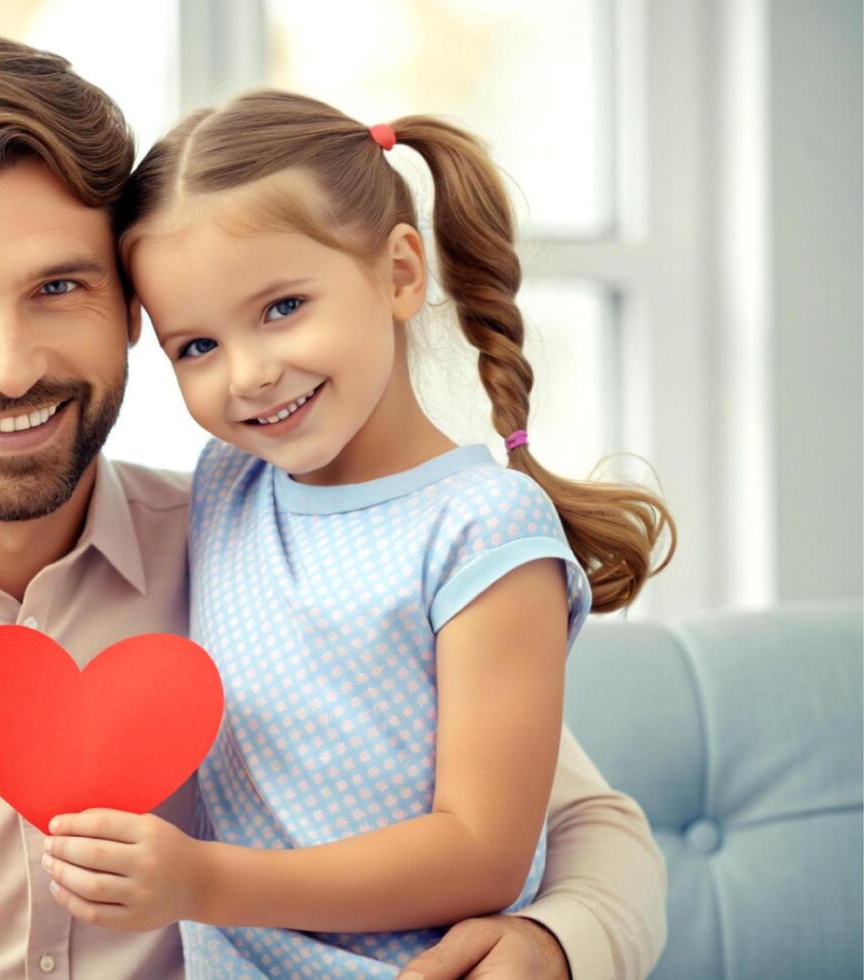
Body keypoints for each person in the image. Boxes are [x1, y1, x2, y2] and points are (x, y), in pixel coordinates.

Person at [0, 32, 668, 979]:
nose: (10, 364)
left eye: (58, 288)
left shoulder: (257, 530)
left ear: (128, 306)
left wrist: (551, 942)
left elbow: (581, 825)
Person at [39, 91, 676, 978]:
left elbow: (482, 852)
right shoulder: (228, 485)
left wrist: (201, 882)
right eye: (195, 347)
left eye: (282, 307)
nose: (250, 374)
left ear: (399, 273)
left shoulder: (483, 530)